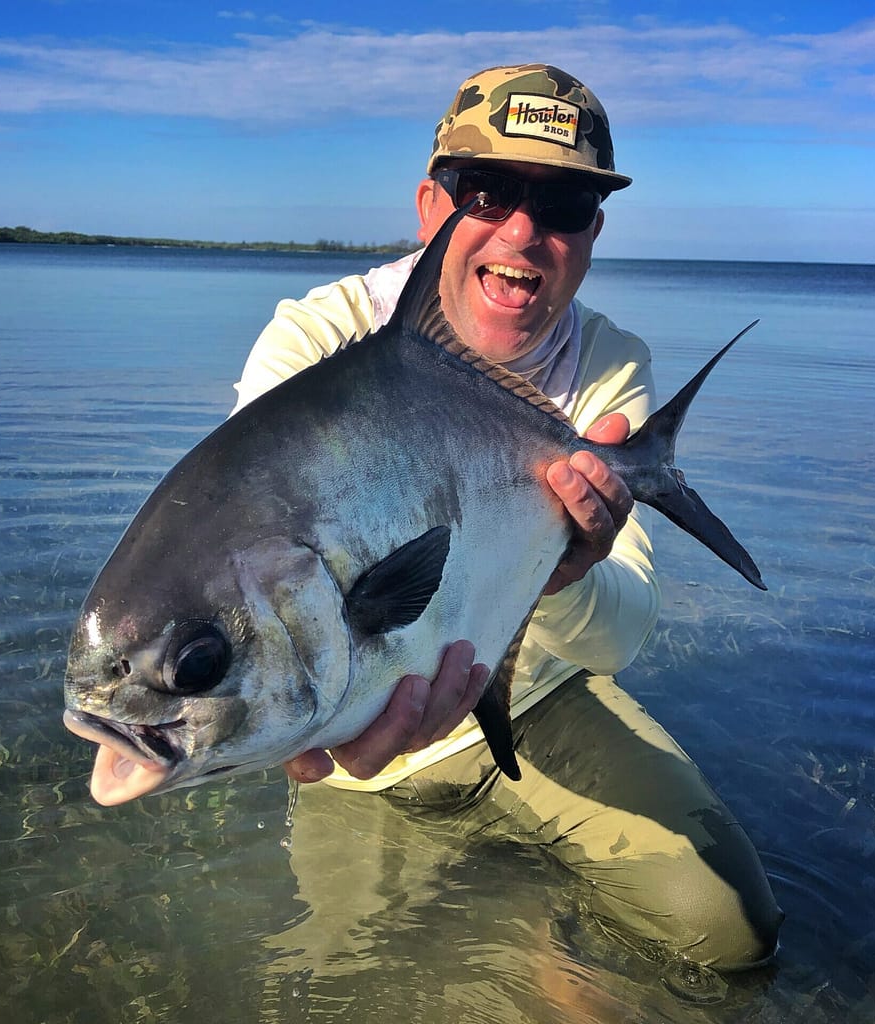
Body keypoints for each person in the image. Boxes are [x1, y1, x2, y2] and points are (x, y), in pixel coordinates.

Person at [232, 64, 782, 972]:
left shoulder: (610, 364)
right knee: (348, 979)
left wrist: (565, 571)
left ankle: (545, 941)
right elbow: (251, 590)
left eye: (564, 203)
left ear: (593, 233)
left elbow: (619, 639)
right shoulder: (315, 342)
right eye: (485, 191)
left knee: (728, 934)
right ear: (430, 206)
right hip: (361, 730)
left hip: (537, 698)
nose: (523, 232)